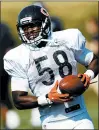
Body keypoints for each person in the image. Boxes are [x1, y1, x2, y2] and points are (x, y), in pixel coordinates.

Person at [3, 5, 98, 129]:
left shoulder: (67, 39)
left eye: (33, 26)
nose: (29, 31)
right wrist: (48, 98)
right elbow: (19, 99)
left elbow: (94, 60)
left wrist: (88, 75)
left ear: (45, 23)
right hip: (51, 122)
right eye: (25, 28)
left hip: (80, 116)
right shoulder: (17, 56)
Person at [30, 1, 64, 128]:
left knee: (58, 83)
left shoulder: (55, 21)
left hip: (55, 56)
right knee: (37, 85)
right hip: (38, 57)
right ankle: (37, 112)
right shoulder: (31, 26)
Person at [0, 23, 20, 130]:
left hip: (3, 68)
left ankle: (10, 122)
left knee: (3, 97)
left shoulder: (4, 28)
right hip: (4, 68)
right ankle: (10, 121)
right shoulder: (4, 27)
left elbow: (10, 47)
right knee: (4, 97)